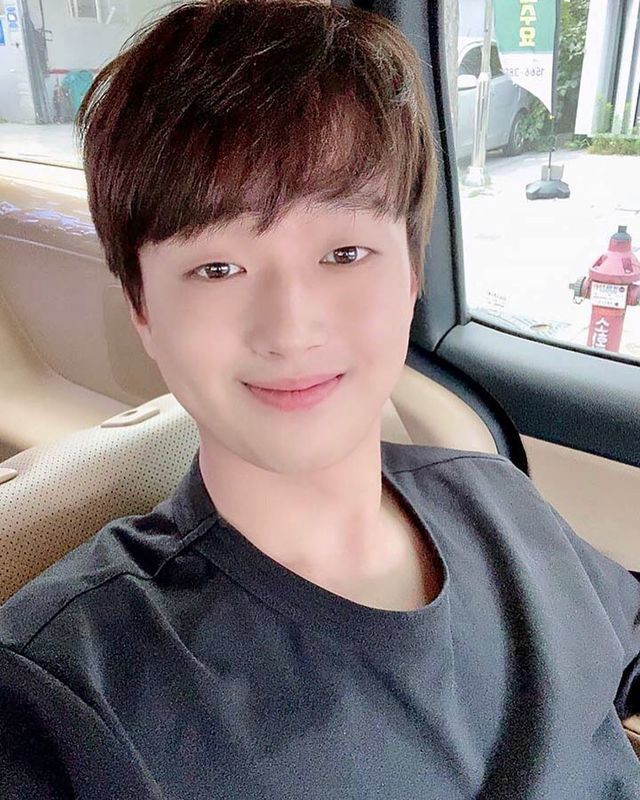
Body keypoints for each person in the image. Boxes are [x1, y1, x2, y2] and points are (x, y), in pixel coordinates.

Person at [1, 1, 639, 797]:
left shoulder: (497, 501)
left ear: (411, 274)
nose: (290, 328)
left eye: (345, 252)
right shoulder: (67, 695)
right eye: (217, 269)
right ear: (143, 311)